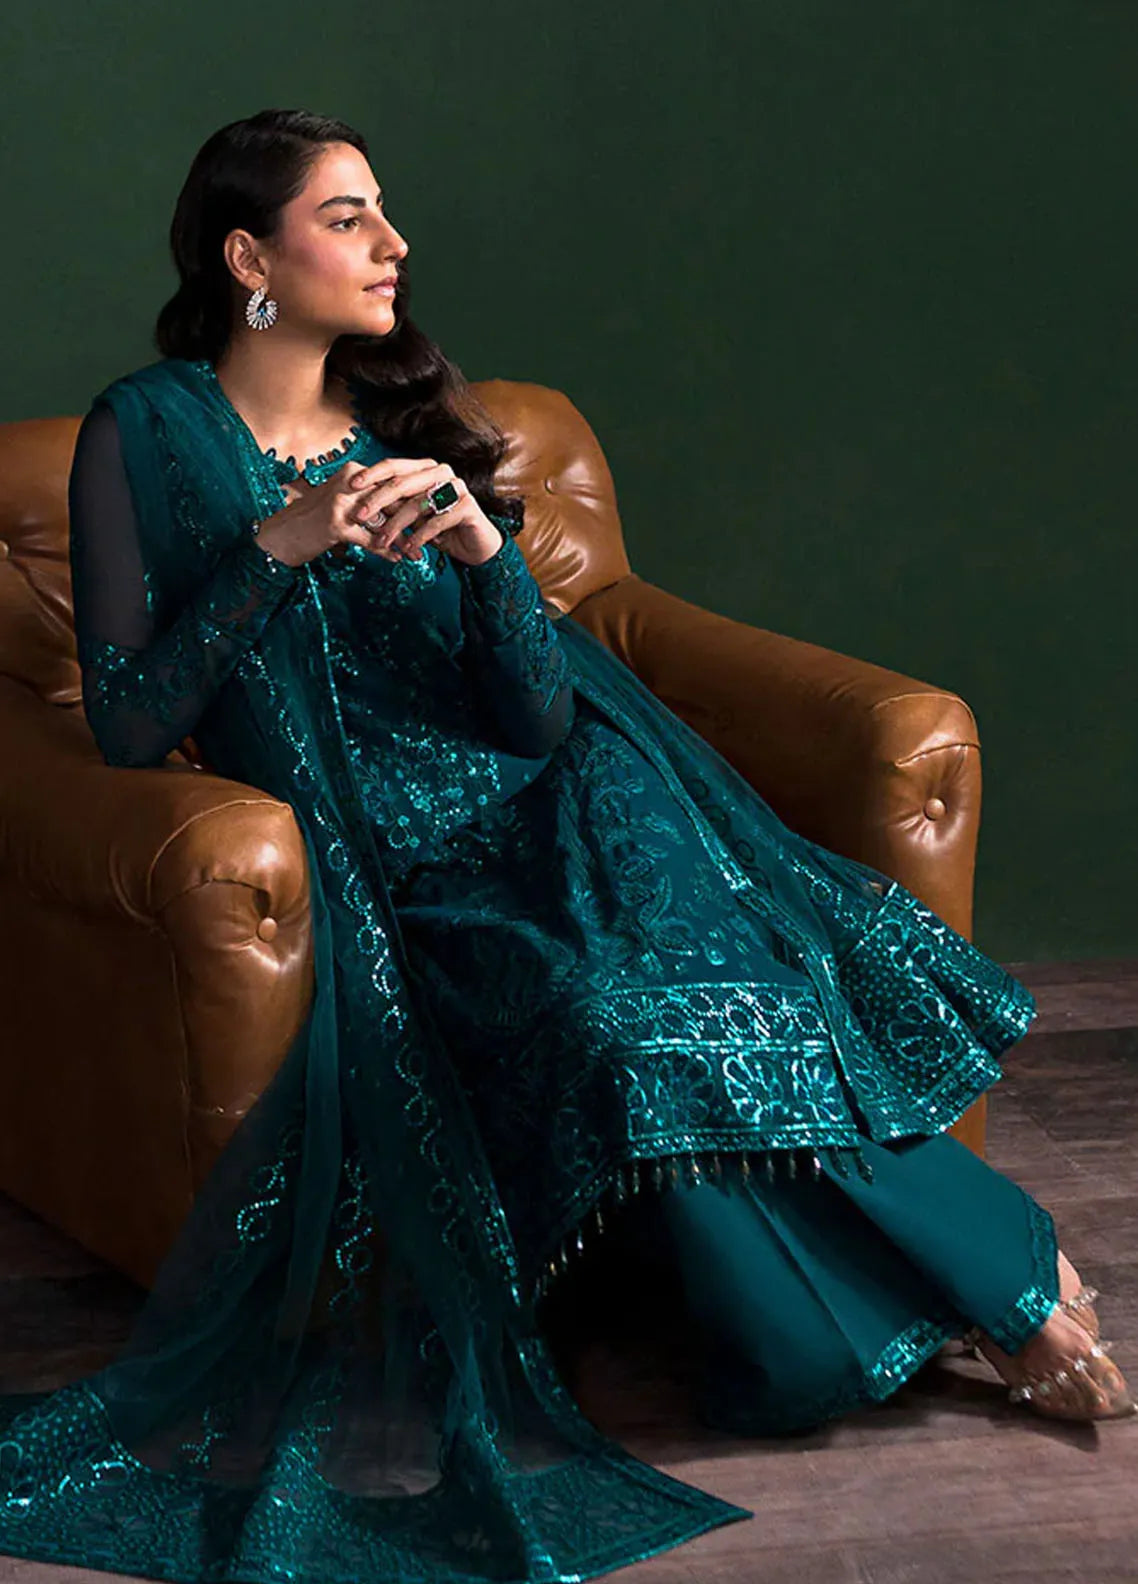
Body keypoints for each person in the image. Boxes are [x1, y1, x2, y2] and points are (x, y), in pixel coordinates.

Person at [0, 106, 1132, 1584]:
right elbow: (132, 721)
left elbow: (534, 719)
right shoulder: (145, 431)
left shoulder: (411, 425)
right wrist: (276, 546)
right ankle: (965, 1279)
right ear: (247, 259)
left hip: (570, 793)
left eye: (383, 211)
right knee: (613, 1028)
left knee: (729, 987)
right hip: (401, 867)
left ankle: (1002, 1287)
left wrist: (485, 558)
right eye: (347, 217)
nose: (394, 243)